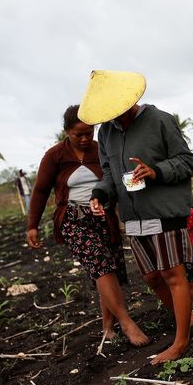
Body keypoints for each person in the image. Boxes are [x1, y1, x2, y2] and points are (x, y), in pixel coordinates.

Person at [79, 70, 193, 364]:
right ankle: (188, 318)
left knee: (173, 274)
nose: (113, 117)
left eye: (116, 110)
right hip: (133, 216)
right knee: (151, 276)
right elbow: (109, 175)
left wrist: (155, 171)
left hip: (164, 211)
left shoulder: (159, 120)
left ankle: (181, 341)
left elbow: (186, 162)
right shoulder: (106, 132)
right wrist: (100, 195)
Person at [26, 105, 149, 347]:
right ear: (66, 131)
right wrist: (33, 225)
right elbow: (40, 190)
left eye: (88, 133)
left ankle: (107, 326)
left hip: (104, 217)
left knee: (107, 269)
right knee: (101, 266)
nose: (84, 139)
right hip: (74, 219)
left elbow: (113, 178)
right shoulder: (55, 156)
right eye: (77, 134)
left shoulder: (99, 148)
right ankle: (127, 323)